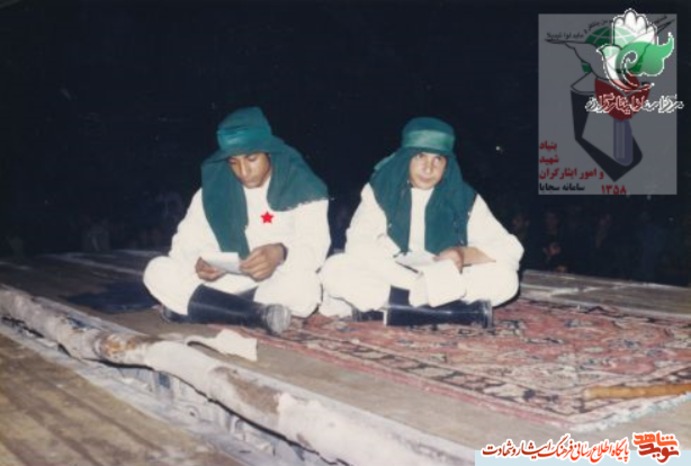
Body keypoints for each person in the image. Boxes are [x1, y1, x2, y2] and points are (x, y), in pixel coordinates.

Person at [319, 116, 523, 327]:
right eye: (420, 156)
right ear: (406, 158)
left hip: (443, 276)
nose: (428, 168)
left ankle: (393, 309)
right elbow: (358, 244)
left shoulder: (464, 197)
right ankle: (453, 312)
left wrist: (462, 254)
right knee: (335, 269)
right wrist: (417, 284)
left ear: (447, 164)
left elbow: (510, 248)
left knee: (506, 280)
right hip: (394, 275)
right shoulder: (381, 190)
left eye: (438, 159)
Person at [143, 107, 330, 334]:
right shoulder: (212, 191)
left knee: (305, 289)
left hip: (273, 282)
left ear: (269, 152)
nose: (243, 171)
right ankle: (255, 315)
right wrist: (199, 263)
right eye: (233, 162)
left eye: (251, 159)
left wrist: (281, 253)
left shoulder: (304, 188)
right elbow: (185, 243)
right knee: (157, 270)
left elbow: (314, 246)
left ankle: (198, 309)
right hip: (223, 282)